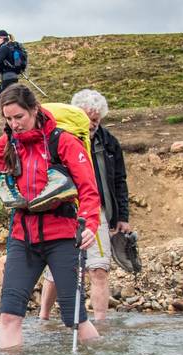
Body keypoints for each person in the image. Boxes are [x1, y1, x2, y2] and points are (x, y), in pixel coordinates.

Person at [0, 84, 100, 349]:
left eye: (19, 117)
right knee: (9, 315)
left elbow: (88, 189)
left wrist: (90, 224)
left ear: (34, 110)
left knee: (75, 319)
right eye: (8, 119)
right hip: (22, 238)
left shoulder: (64, 142)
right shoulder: (8, 143)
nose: (14, 124)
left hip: (63, 237)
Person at [39, 89, 131, 321]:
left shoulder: (109, 142)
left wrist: (122, 216)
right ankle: (44, 318)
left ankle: (101, 323)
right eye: (89, 119)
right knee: (56, 270)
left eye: (96, 121)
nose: (92, 125)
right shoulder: (56, 139)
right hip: (63, 209)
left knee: (99, 268)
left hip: (97, 210)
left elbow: (119, 180)